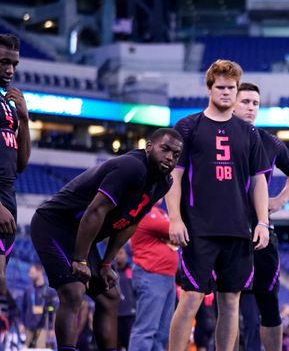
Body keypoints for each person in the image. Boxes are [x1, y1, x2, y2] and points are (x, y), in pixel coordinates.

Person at [29, 128, 183, 350]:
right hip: (55, 225)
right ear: (149, 146)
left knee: (110, 297)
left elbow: (131, 221)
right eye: (165, 149)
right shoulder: (131, 167)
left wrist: (106, 264)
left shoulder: (163, 182)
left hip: (83, 234)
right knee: (74, 291)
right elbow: (95, 212)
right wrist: (81, 260)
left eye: (176, 154)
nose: (170, 157)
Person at [167, 60, 272, 351]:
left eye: (232, 88)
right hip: (198, 229)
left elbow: (259, 181)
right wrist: (174, 218)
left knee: (231, 301)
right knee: (190, 298)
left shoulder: (249, 133)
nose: (227, 93)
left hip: (239, 230)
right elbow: (174, 176)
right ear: (209, 88)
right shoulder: (188, 126)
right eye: (221, 87)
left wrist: (262, 222)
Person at [234, 81, 289, 351]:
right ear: (231, 101)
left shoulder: (268, 141)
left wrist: (279, 200)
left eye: (255, 103)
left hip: (262, 231)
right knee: (230, 301)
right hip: (227, 230)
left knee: (268, 302)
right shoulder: (219, 138)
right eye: (245, 101)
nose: (251, 108)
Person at [0, 34, 31, 315]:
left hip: (9, 197)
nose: (10, 70)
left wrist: (23, 118)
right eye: (4, 62)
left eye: (14, 64)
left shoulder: (8, 104)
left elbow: (21, 164)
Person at [129, 202, 178, 351]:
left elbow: (175, 237)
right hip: (151, 275)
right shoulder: (144, 212)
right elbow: (175, 231)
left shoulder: (160, 213)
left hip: (168, 277)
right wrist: (170, 237)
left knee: (162, 333)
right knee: (146, 330)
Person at [20, 264, 57, 348]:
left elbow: (52, 310)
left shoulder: (49, 292)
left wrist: (51, 328)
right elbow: (23, 308)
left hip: (43, 328)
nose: (30, 275)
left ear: (39, 272)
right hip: (29, 327)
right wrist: (22, 323)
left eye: (32, 272)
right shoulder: (28, 291)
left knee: (40, 348)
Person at [115, 246, 135, 350]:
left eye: (121, 253)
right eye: (117, 253)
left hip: (130, 314)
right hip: (115, 315)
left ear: (126, 255)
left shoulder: (132, 270)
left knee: (130, 344)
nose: (119, 255)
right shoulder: (111, 272)